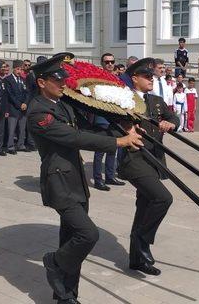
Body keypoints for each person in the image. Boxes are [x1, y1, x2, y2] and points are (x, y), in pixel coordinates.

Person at [27, 53, 143, 304]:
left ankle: (66, 296)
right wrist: (117, 142)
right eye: (57, 80)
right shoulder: (39, 112)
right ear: (41, 82)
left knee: (71, 239)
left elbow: (88, 128)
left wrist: (123, 126)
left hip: (76, 179)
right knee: (87, 235)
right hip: (59, 182)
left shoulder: (63, 104)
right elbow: (73, 138)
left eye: (63, 78)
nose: (62, 83)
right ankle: (53, 262)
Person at [117, 58, 178, 276]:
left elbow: (173, 118)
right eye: (146, 76)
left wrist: (171, 123)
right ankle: (143, 242)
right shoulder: (123, 100)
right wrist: (126, 129)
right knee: (163, 198)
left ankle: (137, 259)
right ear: (134, 78)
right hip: (135, 160)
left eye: (152, 76)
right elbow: (111, 128)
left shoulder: (157, 101)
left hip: (155, 160)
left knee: (144, 206)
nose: (151, 79)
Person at [92, 53, 125, 191]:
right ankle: (98, 180)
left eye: (112, 61)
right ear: (102, 64)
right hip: (102, 119)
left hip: (115, 119)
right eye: (107, 62)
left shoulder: (117, 78)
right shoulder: (97, 78)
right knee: (100, 151)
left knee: (113, 149)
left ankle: (110, 177)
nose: (110, 64)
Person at [4, 60, 29, 154]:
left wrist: (25, 103)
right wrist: (19, 104)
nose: (20, 71)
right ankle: (10, 146)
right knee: (12, 129)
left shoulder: (23, 80)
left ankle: (21, 144)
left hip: (23, 108)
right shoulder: (8, 80)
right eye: (18, 69)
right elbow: (10, 95)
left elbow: (27, 92)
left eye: (21, 69)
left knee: (22, 128)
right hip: (13, 108)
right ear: (13, 69)